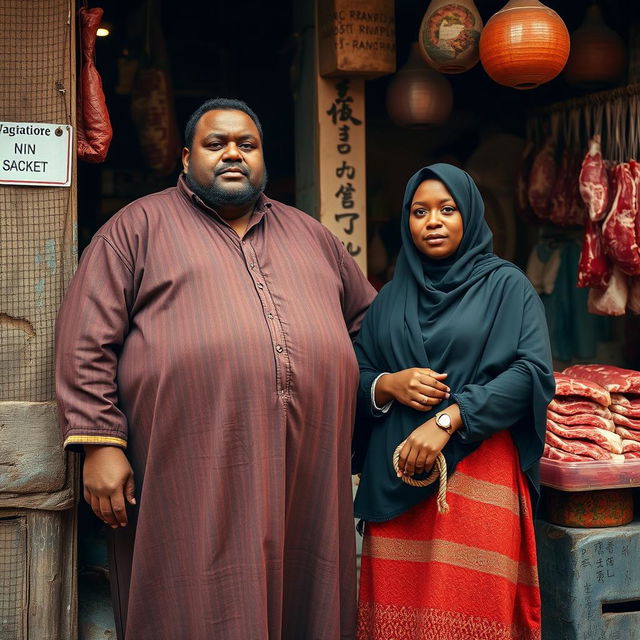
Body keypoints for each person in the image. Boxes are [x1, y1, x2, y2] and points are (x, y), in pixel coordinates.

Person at [56, 98, 376, 640]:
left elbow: (370, 324)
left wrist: (374, 388)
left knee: (308, 591)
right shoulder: (138, 228)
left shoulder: (312, 236)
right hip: (190, 461)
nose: (233, 153)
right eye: (215, 144)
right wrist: (101, 444)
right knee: (194, 591)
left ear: (261, 158)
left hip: (306, 466)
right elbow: (85, 341)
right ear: (185, 158)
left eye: (246, 144)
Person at [351, 164, 555, 640]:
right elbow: (355, 376)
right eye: (419, 212)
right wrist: (388, 385)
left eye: (447, 209)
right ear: (407, 222)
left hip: (476, 473)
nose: (433, 221)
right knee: (396, 619)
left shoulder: (508, 287)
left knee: (468, 615)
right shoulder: (387, 300)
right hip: (398, 479)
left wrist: (449, 418)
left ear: (470, 214)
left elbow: (530, 374)